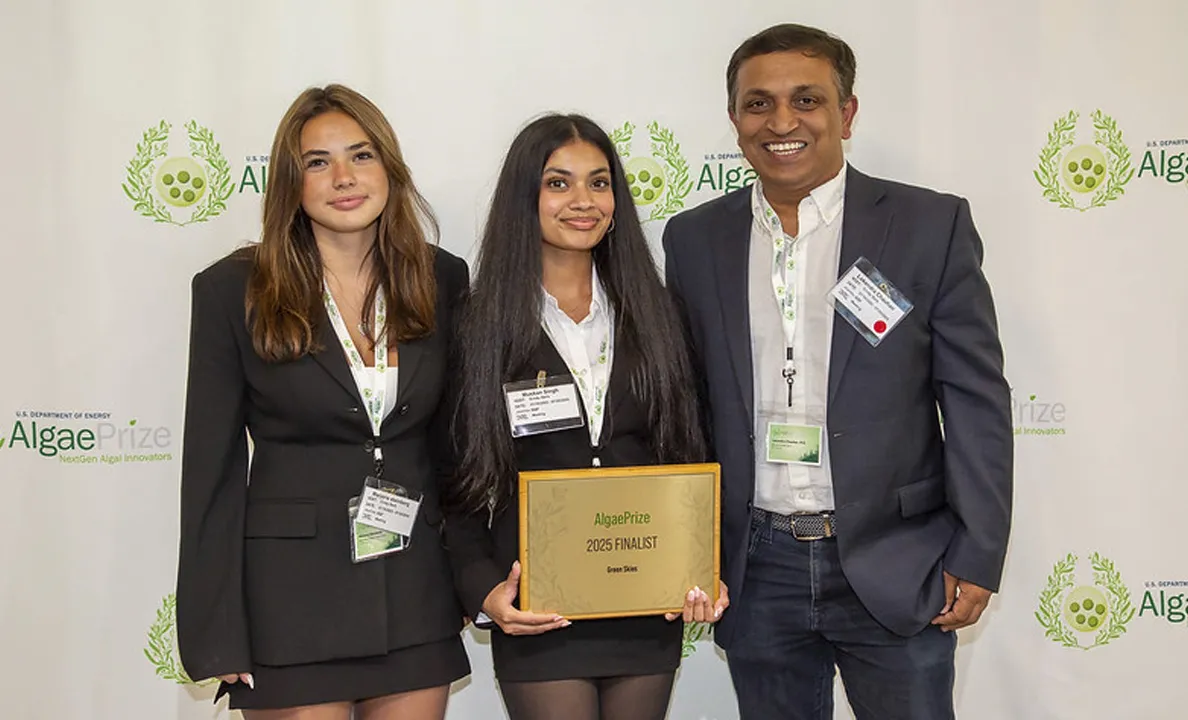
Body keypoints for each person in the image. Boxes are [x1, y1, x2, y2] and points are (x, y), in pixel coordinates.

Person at [662, 23, 1013, 720]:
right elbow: (686, 401)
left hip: (896, 559)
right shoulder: (694, 237)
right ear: (733, 120)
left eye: (807, 100)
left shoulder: (926, 225)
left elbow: (974, 399)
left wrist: (977, 552)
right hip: (755, 565)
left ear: (846, 113)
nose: (782, 122)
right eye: (758, 104)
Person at [175, 84, 470, 719]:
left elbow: (456, 454)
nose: (343, 177)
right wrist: (216, 629)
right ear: (291, 182)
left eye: (361, 156)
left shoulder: (442, 278)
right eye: (317, 161)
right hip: (290, 606)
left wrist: (476, 576)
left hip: (414, 591)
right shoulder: (234, 290)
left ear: (389, 168)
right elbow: (211, 472)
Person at [442, 113, 728, 720]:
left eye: (599, 184)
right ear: (526, 197)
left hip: (646, 599)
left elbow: (687, 451)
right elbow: (456, 478)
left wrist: (704, 562)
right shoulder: (477, 323)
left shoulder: (659, 313)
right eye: (558, 183)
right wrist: (484, 588)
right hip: (539, 604)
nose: (583, 201)